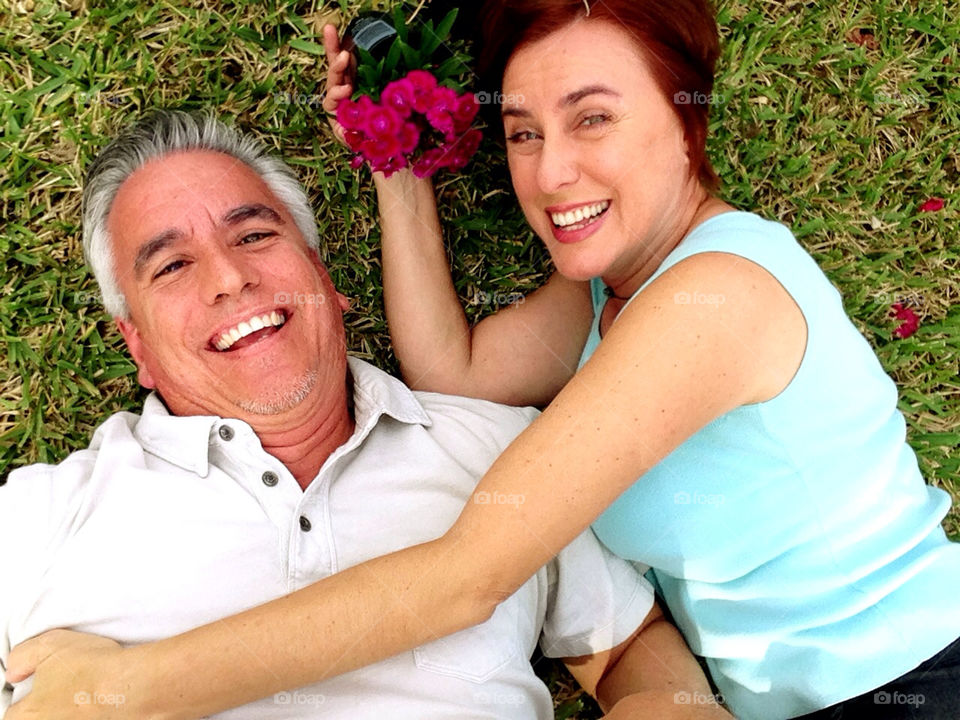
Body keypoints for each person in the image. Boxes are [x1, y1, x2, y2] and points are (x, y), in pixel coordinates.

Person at [6, 1, 960, 719]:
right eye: (523, 132)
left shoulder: (718, 297)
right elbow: (451, 374)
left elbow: (466, 576)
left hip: (908, 682)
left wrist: (115, 692)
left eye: (593, 119)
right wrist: (396, 161)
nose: (550, 174)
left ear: (683, 118)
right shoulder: (606, 299)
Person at [0, 109, 733, 719]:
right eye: (171, 265)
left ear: (327, 278)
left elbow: (632, 646)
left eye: (255, 234)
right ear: (138, 346)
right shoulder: (35, 520)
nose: (230, 276)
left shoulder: (497, 448)